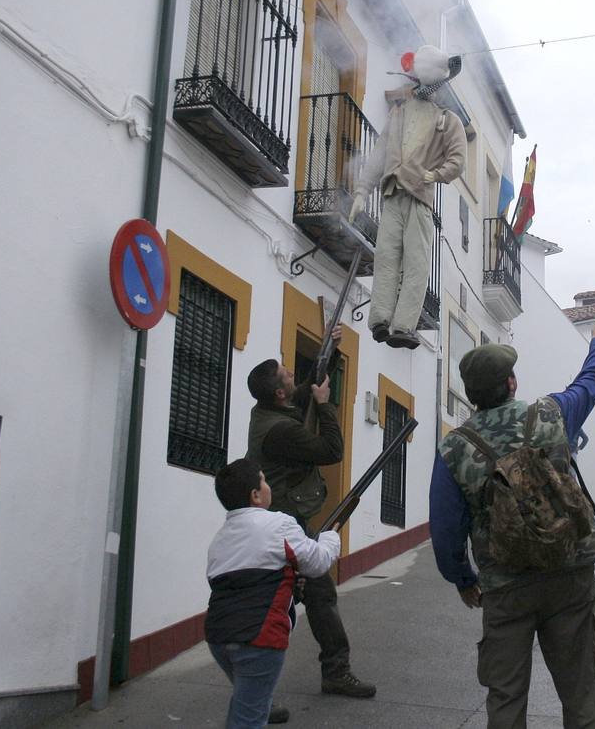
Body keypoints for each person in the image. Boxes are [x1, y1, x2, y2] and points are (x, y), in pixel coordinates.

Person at [430, 317, 595, 729]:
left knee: (507, 696)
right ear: (511, 383)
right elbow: (591, 380)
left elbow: (445, 531)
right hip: (570, 573)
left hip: (505, 584)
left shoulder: (454, 447)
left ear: (471, 395)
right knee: (580, 688)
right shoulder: (552, 413)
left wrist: (463, 579)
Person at [244, 350, 376, 699]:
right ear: (279, 394)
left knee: (311, 596)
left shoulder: (269, 408)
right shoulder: (281, 431)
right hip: (284, 525)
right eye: (287, 374)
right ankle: (330, 673)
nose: (292, 374)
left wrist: (328, 352)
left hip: (281, 520)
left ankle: (323, 674)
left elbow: (305, 387)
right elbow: (332, 450)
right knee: (304, 596)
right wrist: (325, 405)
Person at [206, 458, 341, 729]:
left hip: (219, 638)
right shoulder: (280, 524)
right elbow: (318, 562)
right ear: (255, 495)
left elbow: (239, 581)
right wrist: (330, 536)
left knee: (246, 702)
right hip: (259, 639)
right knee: (249, 720)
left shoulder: (219, 538)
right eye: (264, 480)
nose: (268, 485)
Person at [348, 45, 467, 349]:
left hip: (418, 197)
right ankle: (380, 319)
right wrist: (362, 191)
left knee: (415, 263)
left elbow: (457, 162)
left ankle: (403, 325)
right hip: (392, 195)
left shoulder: (447, 121)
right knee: (386, 257)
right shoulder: (399, 114)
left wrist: (434, 175)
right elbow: (378, 155)